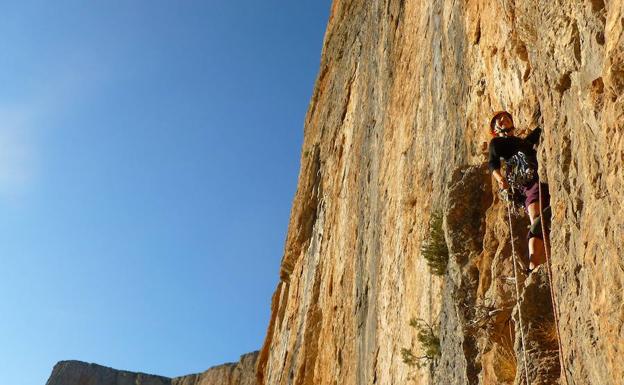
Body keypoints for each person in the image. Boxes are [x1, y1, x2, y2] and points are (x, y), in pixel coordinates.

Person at [488, 111, 550, 272]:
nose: (503, 119)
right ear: (496, 129)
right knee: (536, 217)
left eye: (506, 117)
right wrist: (500, 178)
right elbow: (492, 163)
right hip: (525, 182)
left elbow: (535, 136)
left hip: (537, 178)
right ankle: (533, 263)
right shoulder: (496, 143)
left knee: (542, 216)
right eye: (499, 120)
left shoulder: (523, 142)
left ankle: (540, 258)